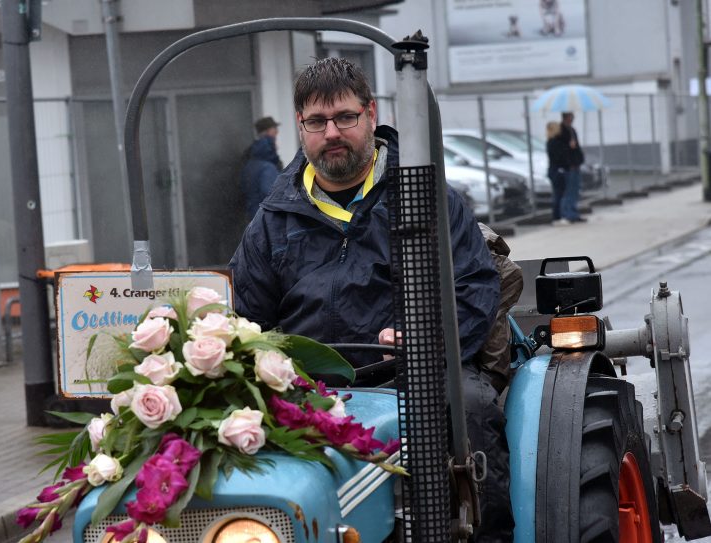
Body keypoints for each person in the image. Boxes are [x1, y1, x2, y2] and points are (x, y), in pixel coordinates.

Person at [229, 57, 512, 541]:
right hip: (309, 385)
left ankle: (481, 532)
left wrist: (422, 341)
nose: (331, 133)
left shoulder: (423, 195)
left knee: (469, 403)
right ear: (300, 126)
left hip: (416, 372)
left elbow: (474, 287)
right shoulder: (272, 219)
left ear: (371, 114)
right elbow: (249, 317)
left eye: (345, 117)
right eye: (317, 122)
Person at [240, 116, 282, 218]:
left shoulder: (251, 162)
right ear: (267, 132)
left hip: (254, 216)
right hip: (266, 220)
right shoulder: (267, 166)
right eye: (275, 130)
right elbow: (271, 196)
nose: (277, 133)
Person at [558, 111, 586, 223]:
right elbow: (560, 148)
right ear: (566, 117)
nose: (573, 118)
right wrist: (569, 148)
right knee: (568, 191)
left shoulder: (572, 130)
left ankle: (574, 213)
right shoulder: (561, 131)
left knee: (575, 190)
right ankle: (567, 214)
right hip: (568, 166)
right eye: (571, 116)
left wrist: (579, 159)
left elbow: (576, 147)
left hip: (575, 164)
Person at [546, 120, 569, 225]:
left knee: (558, 194)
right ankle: (557, 217)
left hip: (554, 170)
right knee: (558, 195)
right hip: (557, 170)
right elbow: (559, 157)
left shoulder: (551, 141)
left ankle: (558, 216)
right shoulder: (554, 142)